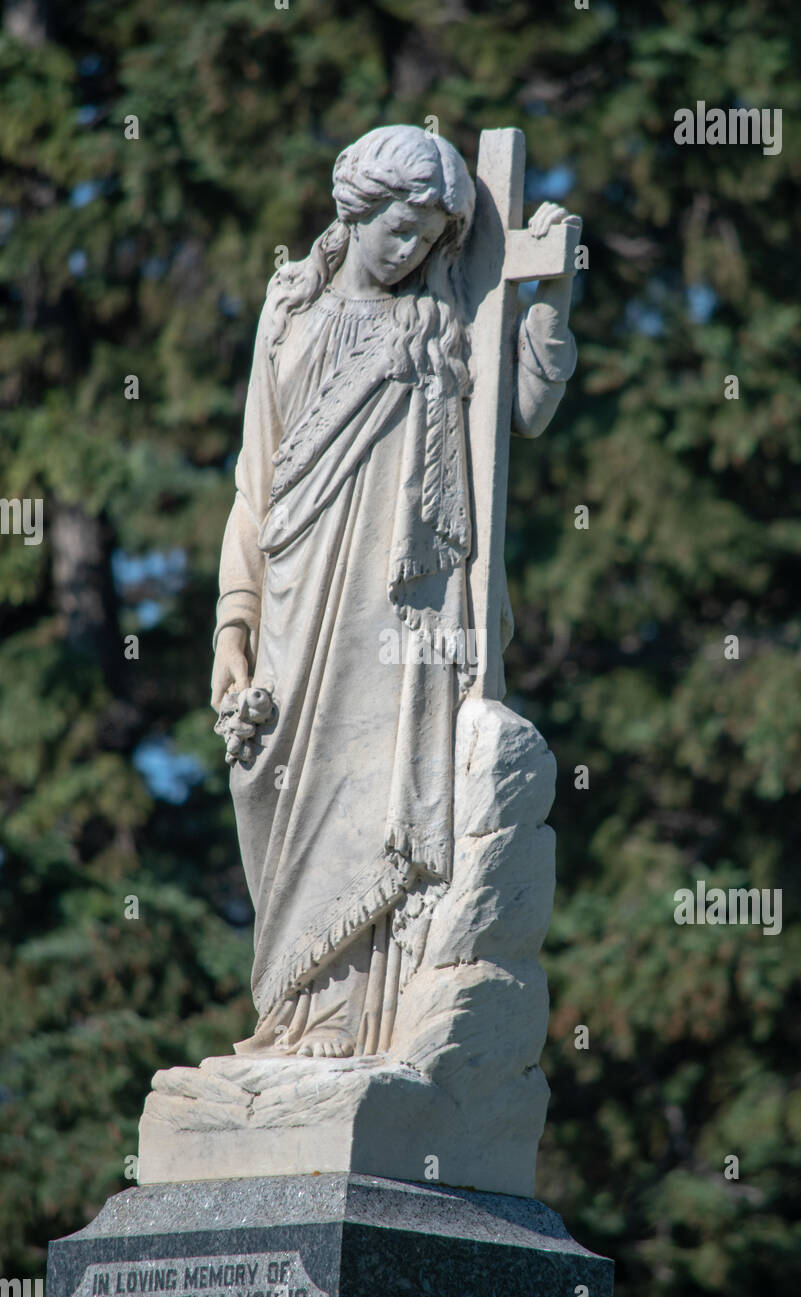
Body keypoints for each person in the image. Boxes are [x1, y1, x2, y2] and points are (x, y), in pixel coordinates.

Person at [211, 125, 577, 1059]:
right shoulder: (289, 308)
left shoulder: (442, 318)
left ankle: (358, 1028)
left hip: (407, 607)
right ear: (357, 208)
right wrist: (234, 628)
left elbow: (521, 415)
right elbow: (254, 486)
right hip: (298, 589)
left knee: (380, 803)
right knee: (277, 787)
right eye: (398, 228)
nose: (410, 250)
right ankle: (291, 1015)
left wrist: (552, 309)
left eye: (428, 236)